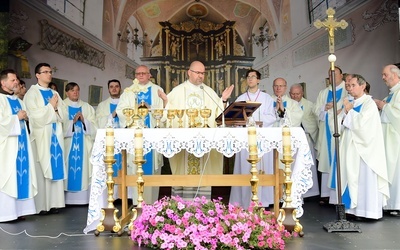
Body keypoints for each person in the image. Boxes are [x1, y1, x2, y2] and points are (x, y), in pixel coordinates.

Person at [165, 61, 234, 199]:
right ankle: (180, 206)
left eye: (203, 73)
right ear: (189, 72)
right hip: (184, 142)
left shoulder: (208, 92)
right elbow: (168, 114)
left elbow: (218, 115)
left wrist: (223, 100)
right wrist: (165, 103)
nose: (201, 76)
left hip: (203, 141)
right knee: (182, 172)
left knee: (203, 173)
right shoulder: (178, 91)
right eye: (198, 72)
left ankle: (202, 207)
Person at [116, 65, 168, 205]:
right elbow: (120, 110)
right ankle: (137, 203)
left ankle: (152, 203)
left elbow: (164, 111)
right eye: (138, 73)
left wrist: (149, 108)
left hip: (152, 135)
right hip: (135, 136)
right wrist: (135, 110)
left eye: (143, 73)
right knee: (135, 167)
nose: (140, 76)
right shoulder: (128, 91)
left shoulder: (157, 90)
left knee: (152, 168)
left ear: (149, 74)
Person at [340, 74, 389, 220]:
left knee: (365, 179)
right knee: (352, 177)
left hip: (366, 150)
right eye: (348, 86)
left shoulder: (369, 103)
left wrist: (349, 111)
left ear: (363, 86)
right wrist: (346, 113)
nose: (350, 88)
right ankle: (353, 210)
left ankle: (368, 212)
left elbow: (363, 126)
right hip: (352, 148)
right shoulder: (352, 102)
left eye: (353, 85)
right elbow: (343, 124)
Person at [229, 69, 276, 209]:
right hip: (245, 139)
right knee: (245, 168)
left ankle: (264, 201)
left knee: (262, 169)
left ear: (258, 80)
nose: (250, 79)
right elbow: (235, 118)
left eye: (253, 77)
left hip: (261, 139)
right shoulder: (241, 98)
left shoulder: (267, 98)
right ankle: (244, 201)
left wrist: (253, 119)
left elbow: (272, 117)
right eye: (248, 77)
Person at [24, 63, 66, 214]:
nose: (49, 74)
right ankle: (42, 206)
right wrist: (51, 108)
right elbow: (34, 116)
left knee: (55, 167)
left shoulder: (54, 93)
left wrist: (54, 108)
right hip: (42, 137)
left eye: (50, 71)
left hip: (55, 136)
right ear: (37, 75)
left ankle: (55, 203)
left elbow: (64, 114)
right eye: (45, 72)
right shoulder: (32, 93)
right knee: (42, 169)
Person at [0, 69, 37, 222]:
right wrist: (17, 117)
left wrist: (26, 118)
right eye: (13, 80)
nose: (16, 82)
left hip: (22, 146)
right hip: (7, 147)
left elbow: (26, 120)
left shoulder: (19, 100)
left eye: (16, 80)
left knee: (21, 175)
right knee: (8, 176)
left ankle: (20, 211)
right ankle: (6, 213)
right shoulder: (0, 100)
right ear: (3, 83)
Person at [313, 66, 347, 205]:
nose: (332, 78)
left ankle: (339, 194)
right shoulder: (324, 92)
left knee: (338, 158)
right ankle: (326, 194)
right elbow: (315, 110)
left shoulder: (347, 89)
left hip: (341, 130)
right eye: (330, 75)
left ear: (341, 75)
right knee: (327, 160)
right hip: (326, 130)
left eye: (335, 74)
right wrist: (324, 108)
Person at [62, 82, 97, 204]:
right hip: (68, 145)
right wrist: (72, 121)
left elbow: (94, 126)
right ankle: (65, 200)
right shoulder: (61, 106)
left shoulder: (86, 107)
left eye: (77, 90)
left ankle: (82, 200)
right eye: (72, 90)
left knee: (83, 169)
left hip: (83, 144)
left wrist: (84, 121)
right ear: (67, 92)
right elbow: (59, 125)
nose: (75, 92)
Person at [374, 65, 400, 214]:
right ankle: (390, 204)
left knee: (396, 171)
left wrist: (384, 106)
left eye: (385, 75)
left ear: (395, 75)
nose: (383, 78)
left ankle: (396, 204)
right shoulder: (391, 94)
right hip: (387, 136)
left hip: (395, 138)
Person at [289, 83, 319, 198]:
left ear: (302, 93)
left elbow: (313, 122)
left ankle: (309, 192)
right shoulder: (287, 104)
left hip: (305, 138)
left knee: (306, 165)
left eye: (297, 94)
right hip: (291, 139)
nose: (295, 96)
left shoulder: (309, 105)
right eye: (292, 94)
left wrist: (303, 124)